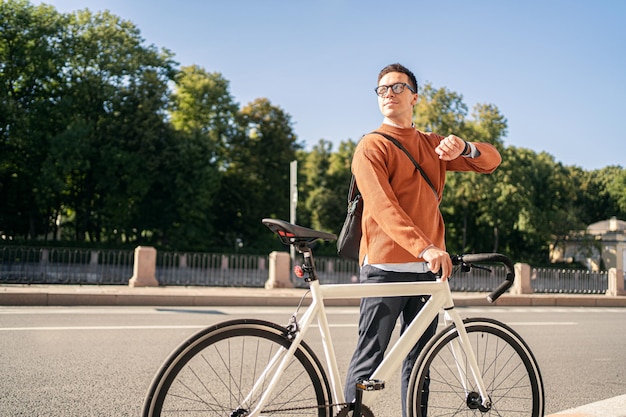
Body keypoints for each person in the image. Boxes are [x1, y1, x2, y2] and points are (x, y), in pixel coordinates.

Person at [344, 63, 502, 416]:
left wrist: (465, 148)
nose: (388, 94)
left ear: (414, 97)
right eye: (382, 89)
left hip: (427, 272)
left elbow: (492, 161)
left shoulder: (432, 145)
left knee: (419, 363)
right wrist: (426, 246)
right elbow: (384, 208)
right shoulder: (371, 145)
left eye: (397, 87)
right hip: (385, 267)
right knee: (369, 357)